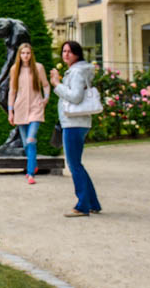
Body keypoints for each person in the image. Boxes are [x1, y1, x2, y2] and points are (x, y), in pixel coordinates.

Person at [49, 40, 102, 217]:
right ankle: (92, 202)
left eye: (70, 52)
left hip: (73, 123)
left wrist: (57, 84)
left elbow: (76, 97)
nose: (66, 55)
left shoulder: (77, 72)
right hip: (77, 123)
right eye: (64, 51)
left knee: (74, 165)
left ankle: (82, 206)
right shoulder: (78, 70)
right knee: (77, 164)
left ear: (77, 54)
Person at [7, 43, 49, 185]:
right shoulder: (15, 69)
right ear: (19, 55)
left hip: (36, 108)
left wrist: (46, 99)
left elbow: (46, 85)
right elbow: (12, 91)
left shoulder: (39, 68)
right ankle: (34, 164)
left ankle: (30, 173)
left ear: (32, 54)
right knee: (26, 144)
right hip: (20, 109)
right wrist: (10, 111)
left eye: (28, 53)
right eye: (23, 53)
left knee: (31, 139)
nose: (26, 56)